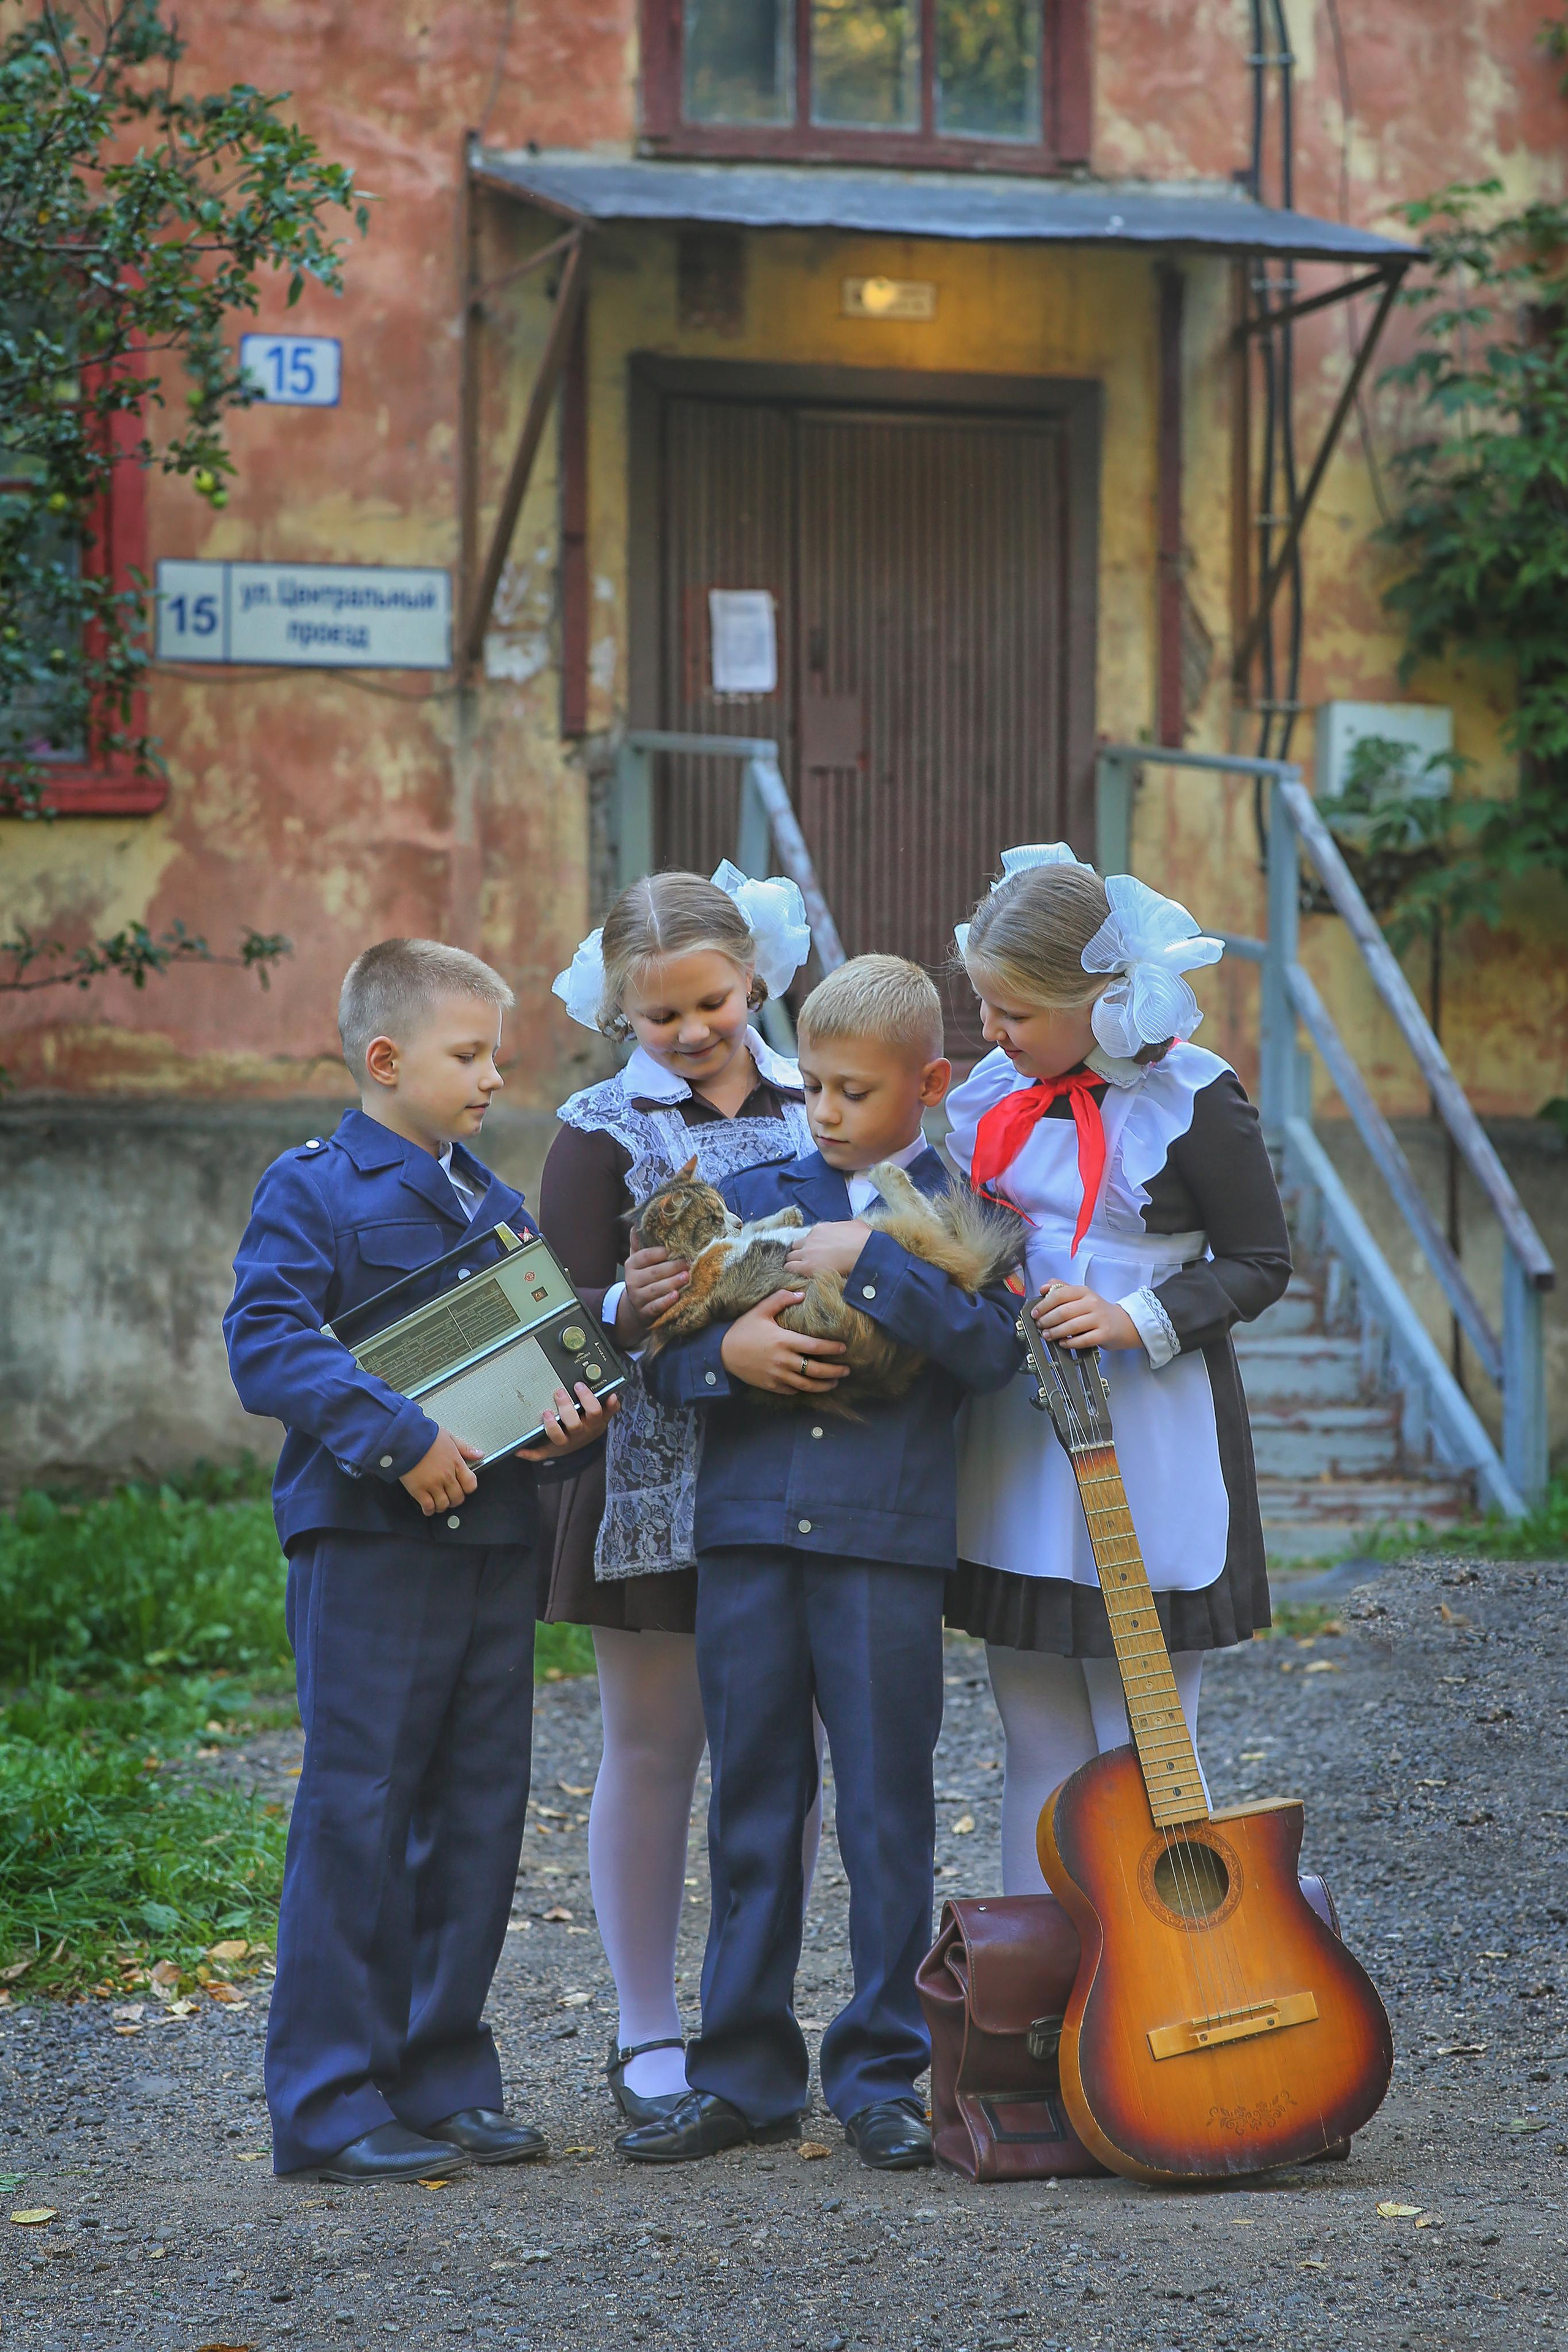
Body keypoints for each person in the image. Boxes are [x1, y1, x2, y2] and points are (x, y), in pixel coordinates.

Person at [619, 956, 1023, 2172]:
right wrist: (718, 1357)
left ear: (929, 1083)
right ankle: (742, 2073)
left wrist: (873, 1259)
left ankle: (883, 2073)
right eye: (819, 1089)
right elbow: (657, 1365)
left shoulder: (963, 1212)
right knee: (751, 1803)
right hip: (747, 1542)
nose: (832, 1114)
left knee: (885, 1816)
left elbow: (989, 1355)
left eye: (857, 1090)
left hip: (880, 1552)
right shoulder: (760, 1190)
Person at [224, 938, 613, 2184]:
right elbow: (269, 1346)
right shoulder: (315, 1191)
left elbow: (536, 1370)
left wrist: (569, 1428)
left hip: (492, 1545)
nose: (493, 1075)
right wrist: (399, 1443)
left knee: (476, 1816)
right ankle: (331, 2104)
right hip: (373, 1548)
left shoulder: (493, 1206)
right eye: (469, 1053)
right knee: (361, 1813)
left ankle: (442, 2078)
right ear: (385, 1060)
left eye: (494, 1052)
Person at [942, 847, 1292, 1893]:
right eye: (988, 1010)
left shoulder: (1193, 1095)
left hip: (1148, 1432)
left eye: (1014, 1013)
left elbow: (1261, 1263)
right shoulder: (997, 1091)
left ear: (1099, 1000)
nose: (993, 1036)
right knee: (1037, 1741)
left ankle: (1152, 1993)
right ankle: (1035, 1998)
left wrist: (1135, 1317)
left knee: (1143, 1742)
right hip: (1022, 1433)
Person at [537, 864, 820, 2125]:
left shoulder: (827, 1097)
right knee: (654, 1749)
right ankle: (646, 2027)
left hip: (809, 1473)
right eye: (660, 1018)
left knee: (781, 1756)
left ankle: (754, 2012)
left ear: (751, 975)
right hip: (653, 1486)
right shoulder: (596, 1128)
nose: (693, 1032)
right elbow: (554, 1322)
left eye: (709, 1002)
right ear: (620, 1015)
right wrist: (621, 1306)